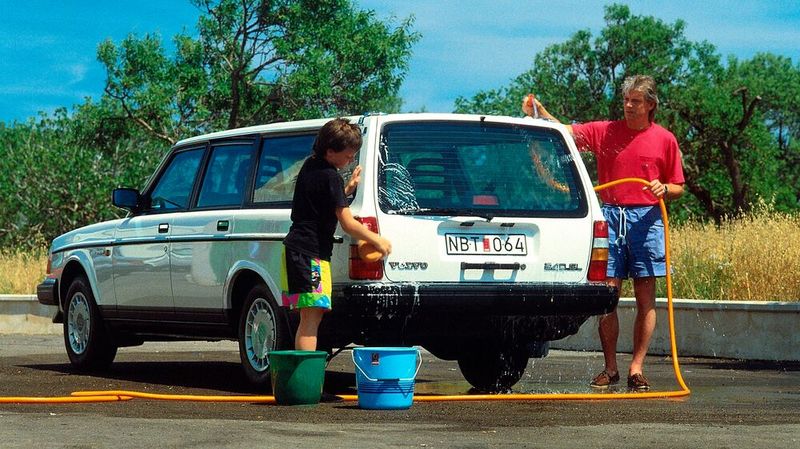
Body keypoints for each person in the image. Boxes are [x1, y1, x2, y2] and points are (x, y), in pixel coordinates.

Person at [522, 75, 685, 390]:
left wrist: (664, 188)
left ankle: (636, 368)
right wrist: (539, 114)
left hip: (647, 218)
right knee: (607, 296)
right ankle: (610, 368)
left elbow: (678, 186)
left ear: (650, 105)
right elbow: (564, 133)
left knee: (645, 296)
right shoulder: (605, 130)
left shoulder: (665, 139)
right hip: (609, 215)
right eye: (626, 100)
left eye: (636, 101)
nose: (628, 106)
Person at [282, 118, 392, 351]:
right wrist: (377, 240)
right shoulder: (331, 176)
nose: (351, 159)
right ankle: (307, 381)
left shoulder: (311, 166)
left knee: (310, 317)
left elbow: (322, 202)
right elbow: (348, 223)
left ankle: (308, 375)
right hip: (310, 254)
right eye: (348, 154)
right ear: (330, 151)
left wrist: (347, 189)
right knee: (311, 319)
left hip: (299, 251)